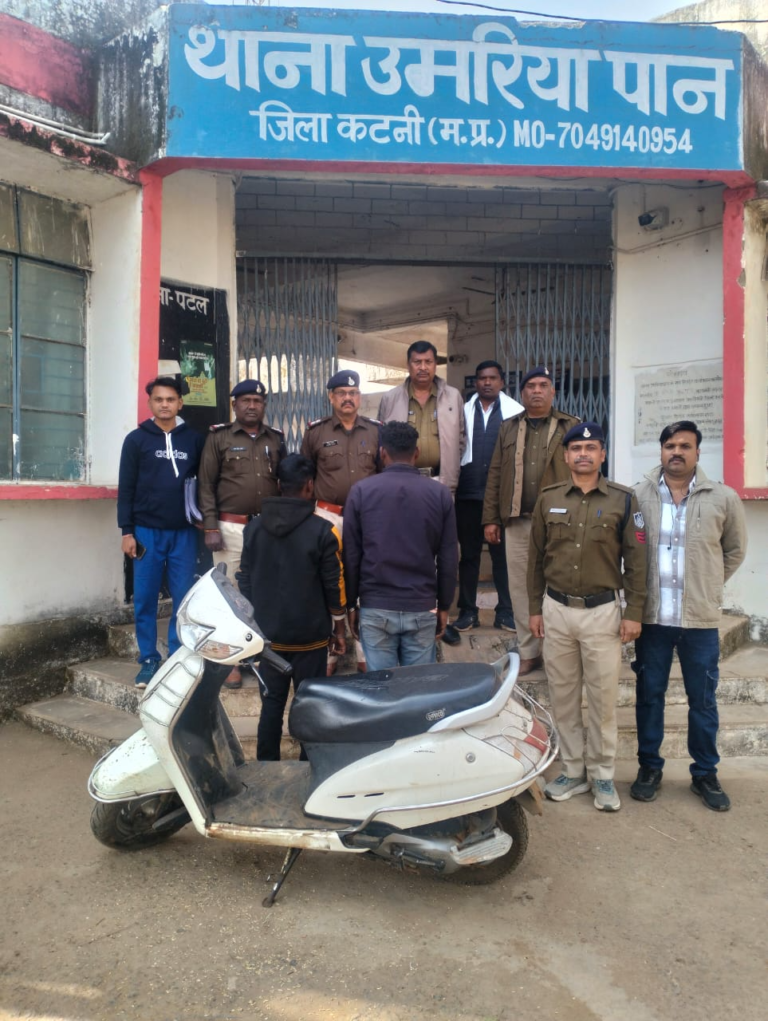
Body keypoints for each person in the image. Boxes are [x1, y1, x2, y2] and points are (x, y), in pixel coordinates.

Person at [528, 422, 646, 812]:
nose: (583, 454)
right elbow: (535, 560)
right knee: (563, 698)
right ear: (566, 456)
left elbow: (637, 562)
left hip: (602, 614)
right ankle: (573, 770)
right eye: (576, 448)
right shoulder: (548, 499)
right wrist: (534, 609)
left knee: (602, 700)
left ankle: (602, 775)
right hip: (557, 611)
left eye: (591, 447)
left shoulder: (623, 500)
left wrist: (633, 612)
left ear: (602, 454)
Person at [630, 421, 747, 811]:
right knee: (650, 696)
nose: (676, 452)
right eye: (669, 445)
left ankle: (705, 773)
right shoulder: (638, 496)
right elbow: (626, 549)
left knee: (703, 700)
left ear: (698, 452)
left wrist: (707, 585)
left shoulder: (723, 498)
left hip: (699, 621)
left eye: (684, 445)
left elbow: (734, 551)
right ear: (661, 451)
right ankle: (649, 768)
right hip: (653, 619)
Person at [236, 455, 347, 761]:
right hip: (310, 638)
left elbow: (244, 579)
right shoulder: (323, 530)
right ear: (309, 486)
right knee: (310, 706)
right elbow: (333, 584)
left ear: (279, 485)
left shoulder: (253, 529)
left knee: (271, 704)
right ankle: (308, 768)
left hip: (268, 638)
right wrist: (339, 628)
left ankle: (266, 768)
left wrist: (256, 619)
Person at [483, 366, 579, 675]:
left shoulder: (571, 426)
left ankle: (555, 651)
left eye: (543, 385)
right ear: (522, 393)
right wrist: (491, 518)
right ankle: (528, 651)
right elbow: (495, 473)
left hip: (560, 523)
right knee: (521, 588)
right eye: (531, 386)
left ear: (553, 392)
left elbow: (585, 472)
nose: (537, 390)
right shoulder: (508, 427)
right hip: (518, 522)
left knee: (557, 585)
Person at [343, 421, 458, 670]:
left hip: (376, 606)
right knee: (416, 687)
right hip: (421, 605)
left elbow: (351, 556)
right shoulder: (439, 494)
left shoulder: (361, 491)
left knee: (382, 688)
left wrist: (351, 604)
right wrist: (444, 605)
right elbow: (449, 558)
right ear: (416, 453)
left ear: (382, 452)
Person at [198, 378, 287, 688]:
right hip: (230, 526)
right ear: (234, 404)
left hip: (267, 527)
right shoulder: (219, 437)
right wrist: (211, 526)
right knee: (231, 594)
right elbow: (206, 484)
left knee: (265, 590)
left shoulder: (276, 438)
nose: (252, 406)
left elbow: (284, 483)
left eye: (257, 401)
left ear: (264, 405)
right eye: (246, 400)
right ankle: (233, 662)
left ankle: (261, 654)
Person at [117, 376, 205, 688]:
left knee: (183, 597)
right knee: (145, 598)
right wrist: (127, 531)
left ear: (180, 403)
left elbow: (204, 483)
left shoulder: (194, 440)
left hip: (184, 532)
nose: (164, 404)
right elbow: (126, 488)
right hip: (146, 532)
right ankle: (149, 659)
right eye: (159, 399)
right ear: (150, 403)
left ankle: (178, 655)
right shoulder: (136, 440)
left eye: (170, 399)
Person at [301, 368, 381, 673]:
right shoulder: (316, 432)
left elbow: (383, 475)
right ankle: (330, 652)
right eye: (342, 394)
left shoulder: (375, 431)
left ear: (359, 397)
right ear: (331, 397)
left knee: (364, 579)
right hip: (327, 516)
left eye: (353, 393)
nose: (348, 398)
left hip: (366, 518)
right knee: (327, 580)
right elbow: (306, 479)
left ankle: (364, 650)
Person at [446, 360, 524, 641]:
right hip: (468, 494)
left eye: (492, 378)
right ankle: (468, 611)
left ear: (502, 382)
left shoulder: (516, 412)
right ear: (475, 383)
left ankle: (506, 611)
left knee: (502, 556)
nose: (487, 382)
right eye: (482, 378)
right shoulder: (462, 411)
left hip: (501, 497)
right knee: (468, 556)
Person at [377, 340, 465, 495]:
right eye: (417, 362)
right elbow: (380, 439)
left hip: (441, 482)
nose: (423, 367)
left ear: (435, 364)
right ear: (408, 365)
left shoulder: (453, 397)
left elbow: (461, 439)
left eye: (428, 362)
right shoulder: (390, 398)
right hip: (399, 483)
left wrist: (451, 470)